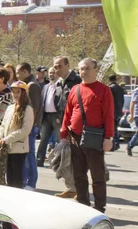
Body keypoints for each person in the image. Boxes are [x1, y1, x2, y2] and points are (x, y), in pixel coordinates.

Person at [60, 58, 114, 214]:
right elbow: (68, 114)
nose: (83, 72)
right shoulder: (75, 89)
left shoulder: (104, 90)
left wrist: (108, 138)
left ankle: (99, 208)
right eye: (81, 69)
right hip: (74, 137)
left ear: (96, 70)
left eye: (87, 68)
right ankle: (83, 205)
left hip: (94, 137)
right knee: (79, 175)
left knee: (97, 176)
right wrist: (64, 133)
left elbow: (109, 115)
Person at [0, 81, 34, 188]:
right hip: (7, 147)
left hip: (19, 149)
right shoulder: (10, 108)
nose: (15, 94)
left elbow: (25, 130)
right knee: (9, 177)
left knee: (17, 178)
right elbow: (3, 125)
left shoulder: (28, 109)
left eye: (18, 92)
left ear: (24, 93)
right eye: (13, 92)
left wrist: (6, 139)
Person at [53, 55, 82, 198]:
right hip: (63, 125)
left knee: (77, 158)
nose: (57, 69)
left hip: (76, 126)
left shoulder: (77, 81)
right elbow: (59, 103)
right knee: (61, 157)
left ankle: (78, 189)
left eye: (59, 66)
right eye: (55, 66)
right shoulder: (58, 83)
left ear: (67, 65)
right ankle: (72, 187)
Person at [16, 62, 43, 191]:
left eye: (18, 72)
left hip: (31, 125)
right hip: (27, 124)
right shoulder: (26, 85)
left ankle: (31, 183)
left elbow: (35, 108)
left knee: (29, 154)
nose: (16, 75)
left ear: (24, 71)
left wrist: (29, 124)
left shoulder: (32, 86)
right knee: (25, 153)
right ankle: (25, 181)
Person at [37, 67, 63, 167]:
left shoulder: (60, 86)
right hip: (46, 117)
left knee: (60, 140)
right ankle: (39, 160)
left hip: (56, 117)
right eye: (50, 73)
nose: (52, 74)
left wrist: (60, 116)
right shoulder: (46, 87)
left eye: (54, 73)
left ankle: (60, 162)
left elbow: (62, 103)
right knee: (43, 140)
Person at [108, 74, 125, 151]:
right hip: (119, 111)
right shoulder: (121, 88)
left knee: (112, 128)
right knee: (116, 128)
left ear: (109, 80)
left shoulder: (110, 88)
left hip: (112, 111)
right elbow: (122, 100)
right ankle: (116, 143)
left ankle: (114, 144)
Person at [127, 86, 138, 156]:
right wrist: (131, 115)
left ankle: (129, 146)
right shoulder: (136, 90)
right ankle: (129, 146)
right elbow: (132, 103)